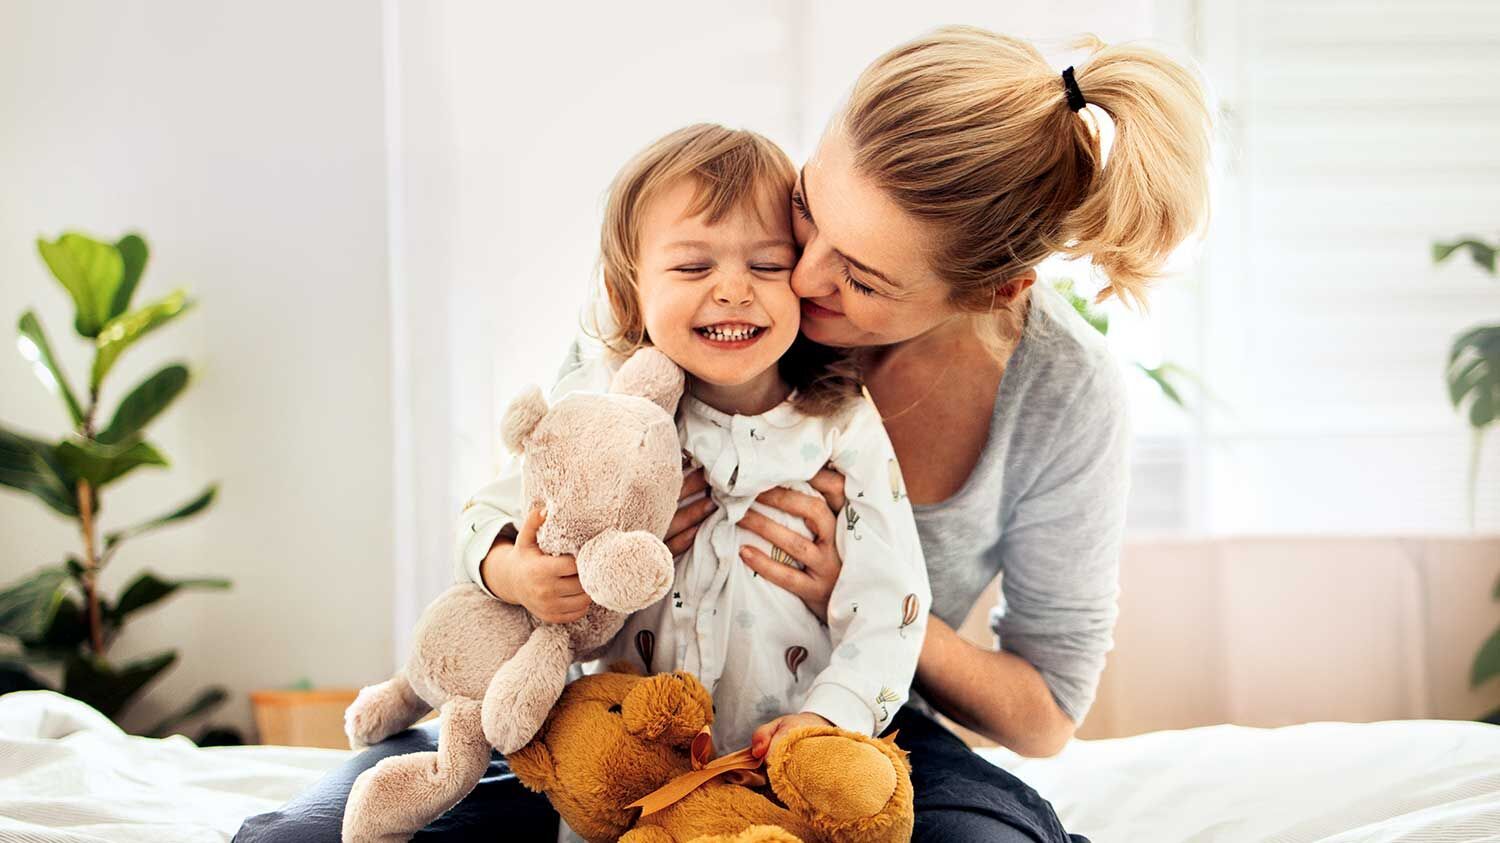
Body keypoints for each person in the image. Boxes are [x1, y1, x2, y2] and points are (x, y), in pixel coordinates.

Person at [238, 24, 1210, 843]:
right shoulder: (694, 298)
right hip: (606, 707)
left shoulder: (1061, 394)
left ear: (993, 290)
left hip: (852, 719)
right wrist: (532, 561)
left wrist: (864, 597)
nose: (796, 276)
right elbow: (508, 509)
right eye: (808, 215)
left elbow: (1043, 718)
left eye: (863, 279)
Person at [458, 122, 930, 757]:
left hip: (778, 760)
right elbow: (483, 516)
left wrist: (832, 719)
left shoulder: (840, 423)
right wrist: (515, 571)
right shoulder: (603, 406)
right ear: (629, 289)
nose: (734, 289)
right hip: (626, 756)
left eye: (767, 265)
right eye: (692, 265)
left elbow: (891, 602)